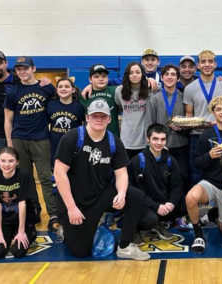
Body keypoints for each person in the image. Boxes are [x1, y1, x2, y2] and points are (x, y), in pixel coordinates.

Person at [54, 99, 149, 261]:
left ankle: (125, 247)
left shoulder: (114, 142)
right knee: (80, 251)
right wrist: (71, 208)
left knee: (136, 196)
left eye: (103, 116)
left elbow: (121, 173)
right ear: (87, 117)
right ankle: (67, 230)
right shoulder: (72, 137)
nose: (99, 119)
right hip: (74, 200)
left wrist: (121, 193)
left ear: (109, 119)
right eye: (95, 116)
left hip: (99, 196)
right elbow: (59, 174)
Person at [3, 56, 59, 233]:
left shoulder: (46, 87)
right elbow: (8, 119)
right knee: (25, 179)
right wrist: (10, 143)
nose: (22, 72)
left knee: (45, 178)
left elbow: (65, 96)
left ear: (33, 69)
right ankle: (32, 212)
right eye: (19, 69)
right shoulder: (12, 91)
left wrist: (50, 83)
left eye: (25, 68)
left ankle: (54, 214)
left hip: (41, 139)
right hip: (19, 139)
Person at [186, 95, 222, 253]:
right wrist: (209, 156)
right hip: (210, 183)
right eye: (219, 109)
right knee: (191, 197)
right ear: (213, 112)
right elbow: (197, 162)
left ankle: (214, 215)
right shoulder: (206, 134)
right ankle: (198, 234)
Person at [184, 50, 222, 186]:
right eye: (203, 62)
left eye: (210, 61)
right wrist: (198, 123)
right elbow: (189, 115)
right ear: (198, 66)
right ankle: (199, 203)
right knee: (196, 170)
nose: (207, 65)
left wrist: (215, 123)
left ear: (215, 64)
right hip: (197, 135)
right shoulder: (190, 88)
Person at [129, 124, 185, 243]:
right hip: (145, 203)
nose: (159, 143)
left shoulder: (170, 160)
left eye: (162, 139)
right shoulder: (137, 161)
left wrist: (172, 203)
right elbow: (133, 191)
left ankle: (161, 224)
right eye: (155, 139)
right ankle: (134, 229)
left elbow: (177, 186)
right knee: (150, 219)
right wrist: (155, 206)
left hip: (163, 203)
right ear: (148, 139)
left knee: (186, 203)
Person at [0, 147, 40, 259]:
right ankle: (7, 234)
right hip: (6, 219)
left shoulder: (25, 176)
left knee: (18, 252)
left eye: (11, 161)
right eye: (3, 161)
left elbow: (22, 204)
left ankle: (31, 232)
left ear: (17, 162)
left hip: (24, 218)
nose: (6, 164)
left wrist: (21, 231)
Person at [144, 64, 190, 191]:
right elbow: (149, 123)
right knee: (162, 178)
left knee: (183, 176)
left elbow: (190, 120)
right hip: (160, 146)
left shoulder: (183, 97)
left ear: (178, 79)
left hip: (180, 145)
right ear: (162, 78)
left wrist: (182, 128)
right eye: (166, 74)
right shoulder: (154, 98)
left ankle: (181, 207)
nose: (170, 77)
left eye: (173, 74)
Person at [115, 62, 150, 159]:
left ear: (142, 74)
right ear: (127, 75)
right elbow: (119, 107)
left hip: (145, 141)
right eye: (131, 73)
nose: (134, 75)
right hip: (126, 141)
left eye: (138, 72)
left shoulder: (150, 89)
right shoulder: (119, 91)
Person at [47, 77, 85, 164]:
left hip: (74, 146)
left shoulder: (79, 106)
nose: (63, 89)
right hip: (55, 147)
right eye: (60, 87)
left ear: (73, 90)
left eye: (67, 86)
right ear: (56, 90)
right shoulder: (50, 105)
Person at [79, 64, 121, 137]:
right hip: (90, 138)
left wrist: (148, 79)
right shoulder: (84, 95)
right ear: (90, 79)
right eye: (96, 77)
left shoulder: (115, 91)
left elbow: (131, 82)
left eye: (104, 76)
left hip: (112, 139)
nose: (101, 79)